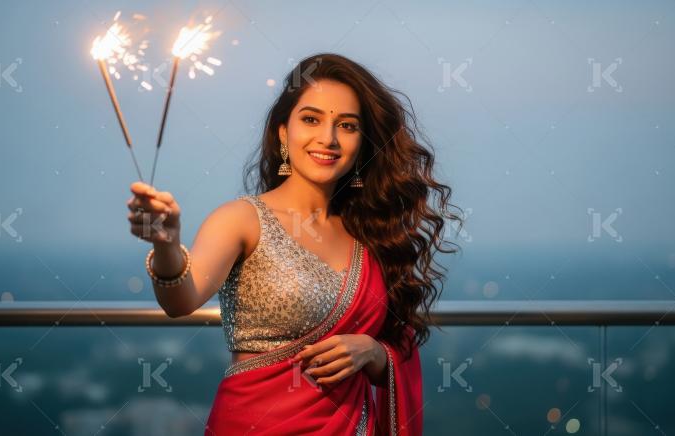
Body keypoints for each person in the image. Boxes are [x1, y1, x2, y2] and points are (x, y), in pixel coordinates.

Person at [127, 53, 463, 435]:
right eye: (311, 119)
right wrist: (168, 244)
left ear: (362, 143)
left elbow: (397, 346)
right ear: (283, 132)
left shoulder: (373, 236)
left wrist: (373, 352)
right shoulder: (242, 219)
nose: (328, 138)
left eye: (347, 125)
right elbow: (181, 301)